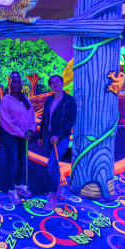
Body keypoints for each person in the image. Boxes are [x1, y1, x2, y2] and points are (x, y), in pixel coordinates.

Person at [38, 75, 77, 211]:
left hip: (61, 138)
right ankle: (57, 189)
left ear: (62, 82)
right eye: (52, 82)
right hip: (48, 137)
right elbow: (44, 118)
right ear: (50, 86)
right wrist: (40, 135)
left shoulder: (69, 100)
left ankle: (53, 197)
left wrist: (58, 134)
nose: (55, 83)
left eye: (57, 81)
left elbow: (71, 120)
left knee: (51, 165)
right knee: (53, 166)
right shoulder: (49, 99)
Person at [0, 71, 36, 206]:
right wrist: (22, 133)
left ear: (21, 84)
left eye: (18, 82)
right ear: (9, 84)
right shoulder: (6, 100)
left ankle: (20, 185)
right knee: (12, 162)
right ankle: (11, 189)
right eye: (13, 82)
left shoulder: (25, 99)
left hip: (24, 136)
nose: (16, 84)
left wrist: (32, 129)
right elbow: (6, 123)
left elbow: (31, 117)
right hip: (11, 136)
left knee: (23, 161)